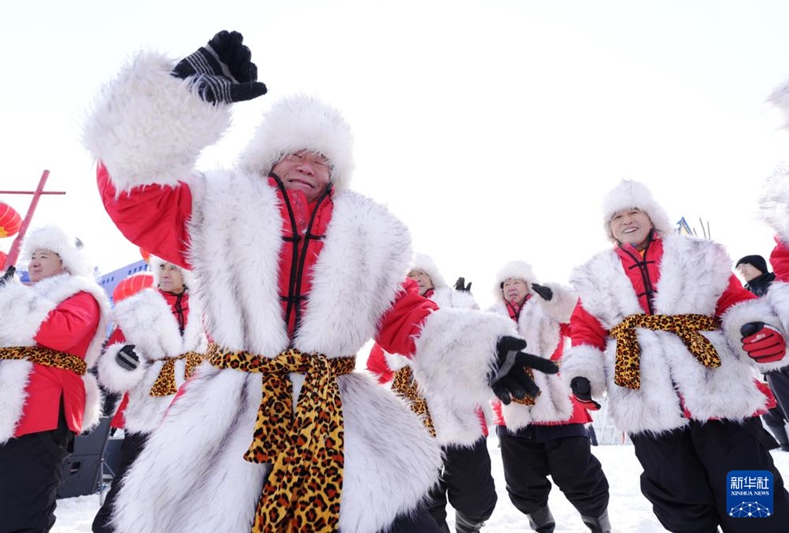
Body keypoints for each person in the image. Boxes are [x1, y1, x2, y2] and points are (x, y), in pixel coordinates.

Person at [83, 30, 557, 533]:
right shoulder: (218, 205)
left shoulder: (369, 233)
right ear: (269, 157)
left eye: (322, 159)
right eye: (295, 153)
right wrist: (176, 101)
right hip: (231, 409)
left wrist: (477, 350)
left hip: (333, 407)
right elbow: (131, 193)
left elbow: (404, 313)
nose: (308, 165)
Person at [561, 179, 789, 533]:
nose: (627, 219)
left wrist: (755, 330)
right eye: (617, 216)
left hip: (718, 393)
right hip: (645, 402)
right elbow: (585, 330)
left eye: (634, 210)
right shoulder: (593, 274)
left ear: (652, 216)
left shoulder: (698, 253)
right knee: (678, 500)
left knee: (749, 493)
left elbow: (735, 302)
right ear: (610, 228)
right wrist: (583, 373)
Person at [0, 226, 110, 532]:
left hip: (42, 413)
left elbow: (61, 332)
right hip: (0, 415)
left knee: (20, 513)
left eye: (44, 255)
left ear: (66, 261)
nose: (33, 263)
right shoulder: (26, 297)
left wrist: (11, 297)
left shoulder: (81, 294)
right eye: (32, 257)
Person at [367, 254, 497, 533]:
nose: (414, 278)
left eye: (420, 274)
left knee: (476, 496)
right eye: (409, 275)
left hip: (459, 415)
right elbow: (376, 369)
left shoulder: (455, 306)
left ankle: (469, 523)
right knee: (426, 499)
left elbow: (479, 342)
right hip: (415, 424)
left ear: (433, 278)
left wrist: (467, 307)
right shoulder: (389, 320)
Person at [487, 261, 611, 533]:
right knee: (521, 480)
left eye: (516, 282)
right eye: (505, 284)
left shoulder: (546, 307)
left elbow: (575, 321)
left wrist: (558, 300)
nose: (511, 288)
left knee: (578, 474)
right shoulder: (491, 316)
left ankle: (598, 522)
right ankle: (541, 524)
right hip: (513, 405)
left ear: (528, 284)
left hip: (557, 401)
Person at [92, 257, 208, 533]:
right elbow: (112, 355)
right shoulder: (136, 309)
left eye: (173, 268)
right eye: (162, 268)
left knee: (186, 480)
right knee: (132, 476)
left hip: (195, 402)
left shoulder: (209, 307)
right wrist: (122, 360)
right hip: (150, 403)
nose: (165, 274)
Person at [735, 254, 789, 452]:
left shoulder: (777, 284)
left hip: (784, 349)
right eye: (739, 268)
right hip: (764, 358)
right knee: (771, 404)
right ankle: (784, 444)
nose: (742, 270)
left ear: (759, 266)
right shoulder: (742, 294)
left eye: (746, 265)